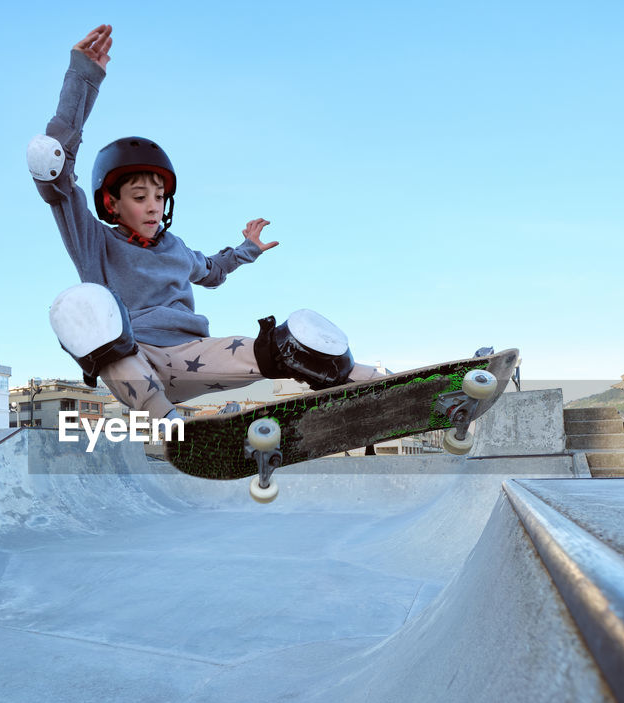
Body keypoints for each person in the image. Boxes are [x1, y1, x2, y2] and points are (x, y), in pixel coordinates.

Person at [29, 24, 381, 421]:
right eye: (140, 198)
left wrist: (248, 249)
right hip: (131, 361)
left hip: (192, 358)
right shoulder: (94, 241)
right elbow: (54, 168)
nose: (153, 208)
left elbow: (212, 271)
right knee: (81, 304)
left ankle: (371, 383)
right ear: (112, 204)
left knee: (288, 339)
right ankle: (169, 422)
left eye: (159, 198)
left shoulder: (175, 247)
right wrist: (83, 77)